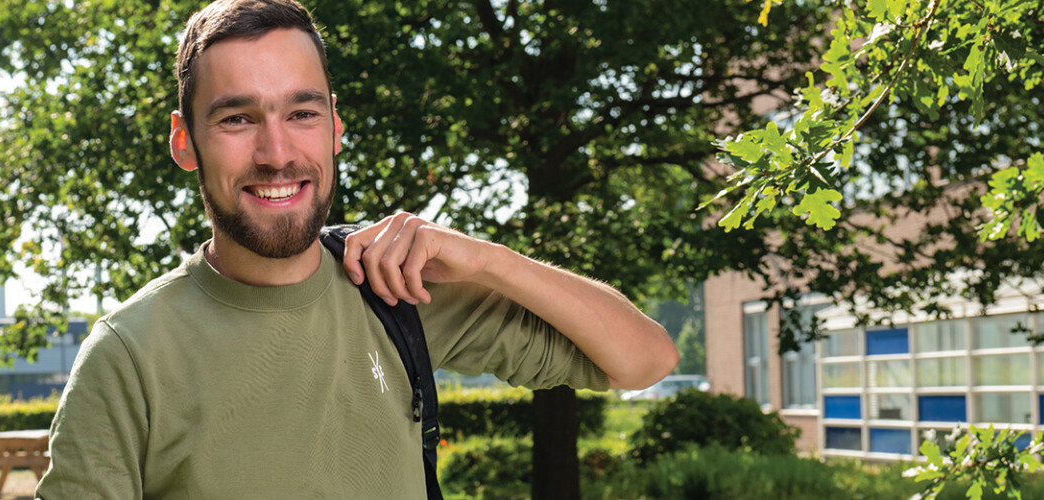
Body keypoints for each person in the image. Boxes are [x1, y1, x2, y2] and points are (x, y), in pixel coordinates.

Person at [35, 0, 677, 497]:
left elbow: (644, 360)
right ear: (184, 142)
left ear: (335, 125)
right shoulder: (127, 357)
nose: (277, 152)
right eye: (237, 118)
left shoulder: (398, 294)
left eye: (301, 113)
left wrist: (487, 259)